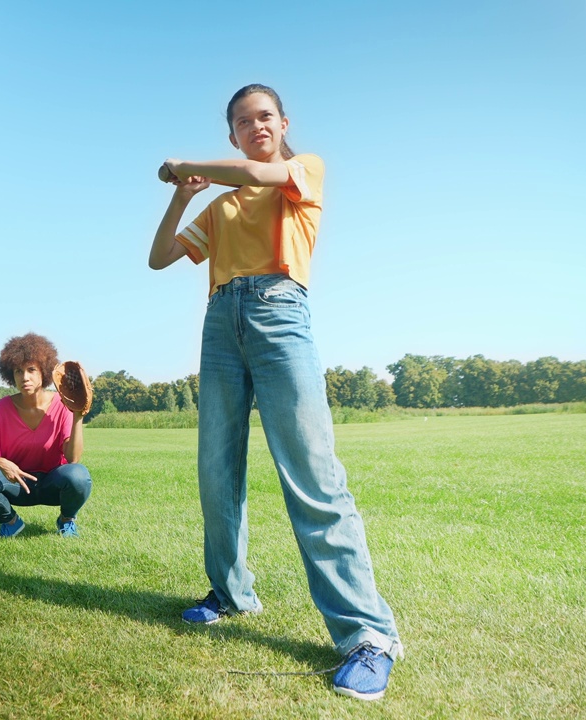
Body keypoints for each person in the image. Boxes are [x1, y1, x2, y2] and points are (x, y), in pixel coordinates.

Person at [147, 84, 403, 701]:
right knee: (216, 471)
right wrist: (181, 197)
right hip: (220, 321)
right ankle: (231, 593)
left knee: (312, 473)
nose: (255, 126)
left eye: (265, 117)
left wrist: (183, 164)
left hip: (279, 314)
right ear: (232, 132)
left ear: (283, 123)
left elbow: (254, 172)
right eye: (242, 121)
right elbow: (159, 258)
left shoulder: (301, 171)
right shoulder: (222, 208)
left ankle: (369, 635)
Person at [0, 333, 92, 538]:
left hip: (53, 483)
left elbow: (73, 459)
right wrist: (2, 463)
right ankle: (11, 522)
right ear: (10, 375)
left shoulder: (62, 405)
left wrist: (78, 416)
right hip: (17, 484)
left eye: (31, 370)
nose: (24, 377)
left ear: (44, 372)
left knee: (79, 476)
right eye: (18, 371)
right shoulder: (3, 407)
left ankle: (66, 520)